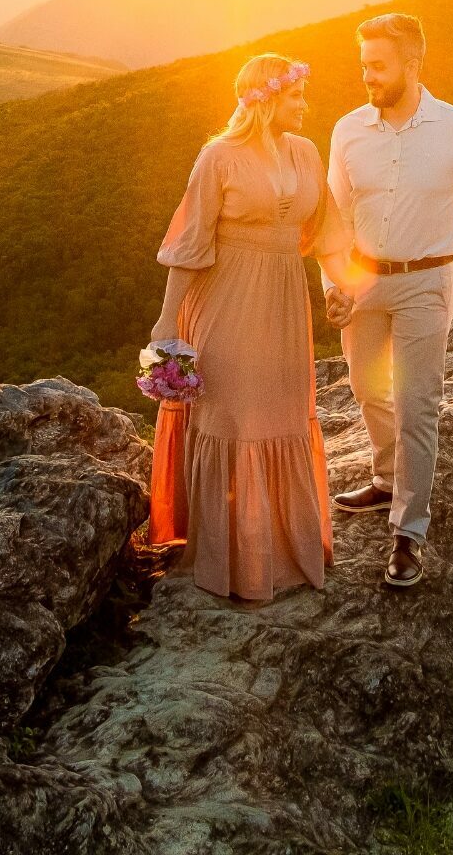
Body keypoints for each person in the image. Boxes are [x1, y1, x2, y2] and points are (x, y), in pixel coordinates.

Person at [320, 12, 453, 590]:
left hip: (429, 282)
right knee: (363, 385)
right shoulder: (347, 130)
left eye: (377, 66)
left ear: (412, 64)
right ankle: (385, 478)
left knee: (417, 402)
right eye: (363, 67)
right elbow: (332, 217)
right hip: (364, 282)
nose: (367, 78)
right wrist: (333, 284)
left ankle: (409, 530)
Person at [147, 52, 336, 601]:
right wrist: (166, 322)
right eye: (296, 95)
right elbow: (189, 247)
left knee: (281, 414)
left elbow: (325, 232)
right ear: (267, 98)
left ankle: (281, 549)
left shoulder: (306, 153)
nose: (304, 105)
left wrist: (340, 291)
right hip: (224, 299)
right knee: (234, 415)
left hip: (283, 298)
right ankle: (230, 558)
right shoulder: (218, 158)